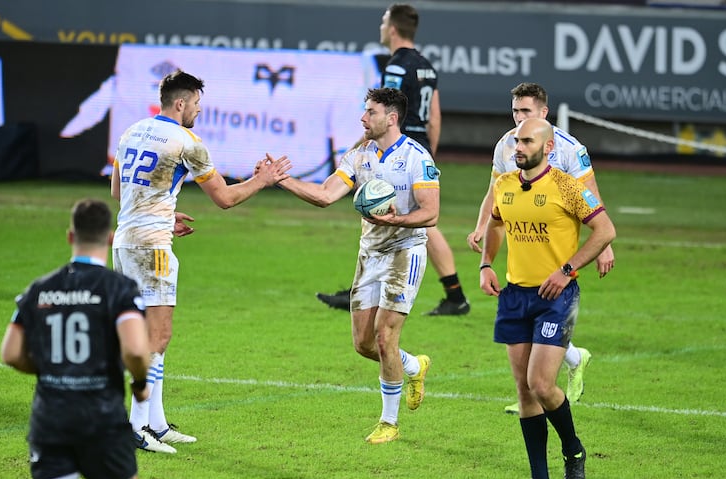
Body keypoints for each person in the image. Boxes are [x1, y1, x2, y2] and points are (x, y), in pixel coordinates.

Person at [111, 69, 292, 453]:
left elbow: (118, 190)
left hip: (125, 243)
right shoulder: (187, 141)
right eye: (196, 104)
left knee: (150, 335)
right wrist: (264, 179)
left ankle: (155, 424)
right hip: (153, 250)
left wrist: (162, 215)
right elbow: (224, 198)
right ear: (181, 103)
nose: (198, 111)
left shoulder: (132, 131)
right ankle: (136, 425)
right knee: (157, 337)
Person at [278, 87, 438, 443]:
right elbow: (325, 195)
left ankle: (389, 423)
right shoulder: (360, 155)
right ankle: (414, 366)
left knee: (385, 337)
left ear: (391, 118)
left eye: (370, 112)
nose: (363, 119)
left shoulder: (415, 157)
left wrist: (398, 220)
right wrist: (282, 180)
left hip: (405, 251)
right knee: (364, 344)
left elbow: (431, 212)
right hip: (370, 255)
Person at [479, 118, 616, 479]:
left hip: (556, 296)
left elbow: (605, 231)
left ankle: (573, 451)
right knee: (524, 391)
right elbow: (494, 224)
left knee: (542, 384)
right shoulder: (505, 185)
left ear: (548, 147)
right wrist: (486, 264)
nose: (517, 147)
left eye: (526, 141)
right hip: (514, 296)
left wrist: (567, 270)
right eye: (515, 141)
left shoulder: (568, 188)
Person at [0, 198, 152, 479]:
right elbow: (137, 351)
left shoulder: (40, 290)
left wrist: (51, 369)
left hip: (51, 420)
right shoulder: (120, 289)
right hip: (101, 421)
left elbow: (10, 353)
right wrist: (140, 384)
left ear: (70, 236)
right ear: (110, 237)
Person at [468, 82, 615, 413]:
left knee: (545, 307)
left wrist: (604, 245)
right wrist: (482, 226)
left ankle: (542, 388)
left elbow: (588, 190)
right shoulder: (507, 145)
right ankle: (541, 385)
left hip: (558, 245)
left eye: (526, 112)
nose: (519, 118)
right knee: (530, 309)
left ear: (543, 113)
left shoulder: (568, 149)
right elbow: (495, 192)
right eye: (515, 111)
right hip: (524, 235)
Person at [317, 3, 470, 316]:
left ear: (393, 29)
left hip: (398, 146)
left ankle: (367, 289)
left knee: (381, 212)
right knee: (419, 224)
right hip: (420, 144)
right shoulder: (427, 65)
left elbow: (384, 116)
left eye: (383, 22)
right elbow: (435, 115)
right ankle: (452, 294)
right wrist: (429, 153)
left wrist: (358, 147)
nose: (380, 27)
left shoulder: (397, 66)